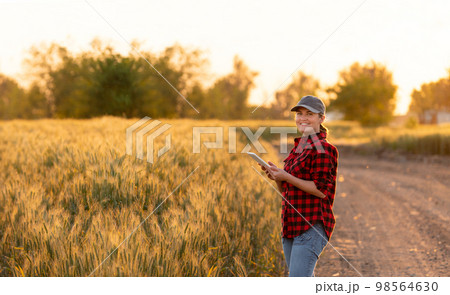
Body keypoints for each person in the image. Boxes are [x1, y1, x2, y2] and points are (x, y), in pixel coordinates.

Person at [259, 95, 338, 277]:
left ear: (321, 119)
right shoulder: (299, 149)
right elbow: (287, 192)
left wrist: (286, 175)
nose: (302, 118)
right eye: (299, 113)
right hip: (290, 225)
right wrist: (278, 177)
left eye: (309, 114)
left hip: (310, 226)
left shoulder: (325, 149)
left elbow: (321, 191)